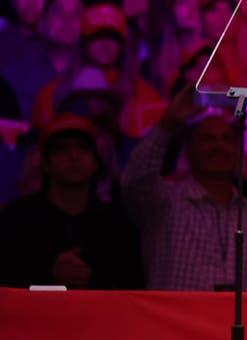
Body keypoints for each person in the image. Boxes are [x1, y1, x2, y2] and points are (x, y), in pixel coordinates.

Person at [121, 90, 247, 292]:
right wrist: (168, 124)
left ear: (237, 151)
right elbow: (135, 178)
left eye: (227, 139)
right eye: (208, 139)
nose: (219, 146)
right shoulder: (164, 201)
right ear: (189, 152)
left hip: (236, 324)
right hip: (175, 322)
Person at [0, 114, 143, 289]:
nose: (74, 156)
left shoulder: (116, 224)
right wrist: (48, 275)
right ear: (45, 163)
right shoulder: (16, 219)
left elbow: (132, 286)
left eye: (82, 148)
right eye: (61, 149)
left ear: (95, 162)